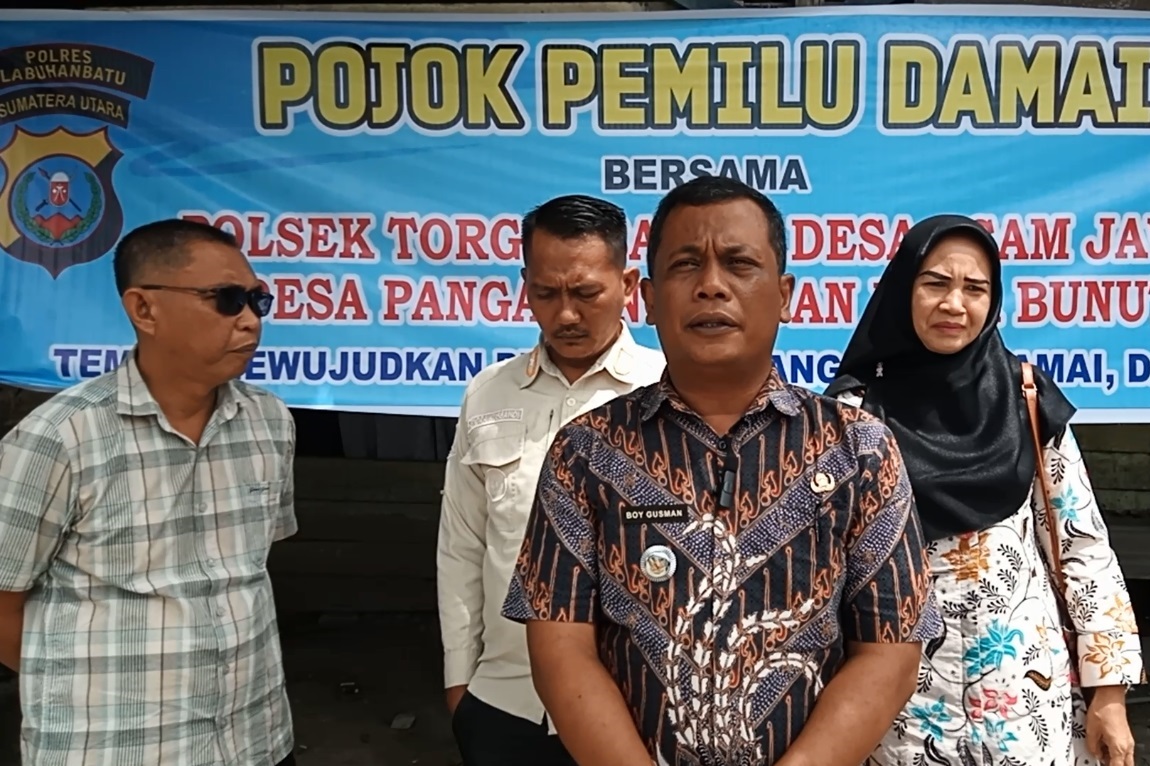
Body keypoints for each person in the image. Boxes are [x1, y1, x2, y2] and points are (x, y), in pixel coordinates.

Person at [500, 176, 943, 766]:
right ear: (649, 298)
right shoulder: (584, 453)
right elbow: (560, 647)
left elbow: (891, 649)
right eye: (686, 265)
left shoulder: (859, 450)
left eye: (739, 264)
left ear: (784, 294)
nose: (711, 285)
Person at [823, 214, 1144, 766]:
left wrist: (1109, 695)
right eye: (935, 283)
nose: (955, 304)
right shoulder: (853, 416)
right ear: (901, 291)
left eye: (975, 289)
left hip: (1027, 703)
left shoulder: (1026, 399)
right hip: (902, 713)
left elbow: (1082, 547)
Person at [0, 219, 298, 766]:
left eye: (258, 300)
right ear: (144, 309)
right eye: (227, 300)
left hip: (255, 738)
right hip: (117, 748)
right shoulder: (58, 437)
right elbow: (2, 601)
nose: (251, 320)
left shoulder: (270, 422)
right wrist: (94, 688)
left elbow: (248, 572)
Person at [436, 194, 666, 766]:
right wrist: (460, 684)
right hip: (505, 703)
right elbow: (462, 548)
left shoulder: (669, 392)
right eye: (546, 293)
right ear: (525, 286)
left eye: (586, 293)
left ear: (628, 285)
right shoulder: (488, 393)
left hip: (638, 710)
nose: (565, 315)